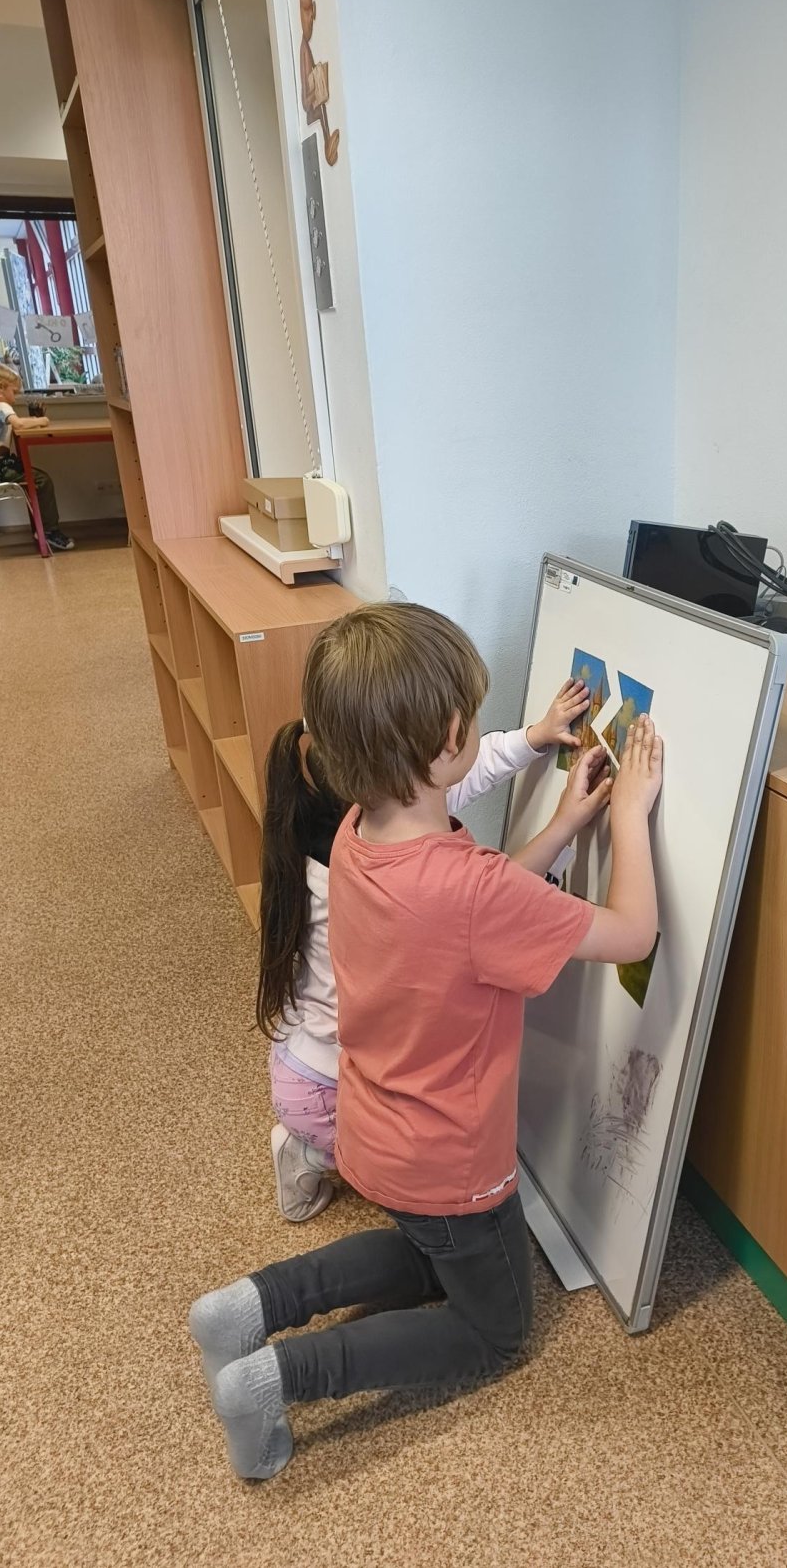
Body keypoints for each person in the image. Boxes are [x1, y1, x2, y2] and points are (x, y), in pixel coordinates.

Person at [190, 602, 662, 1480]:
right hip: (453, 1164)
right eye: (472, 716)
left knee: (423, 1253)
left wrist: (563, 824)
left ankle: (247, 1306)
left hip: (378, 1135)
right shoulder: (467, 886)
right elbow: (631, 931)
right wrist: (629, 814)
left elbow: (473, 918)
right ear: (450, 738)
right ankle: (279, 1377)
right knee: (494, 1326)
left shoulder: (354, 834)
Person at [256, 677, 592, 1222]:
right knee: (407, 1163)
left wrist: (535, 737)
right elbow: (480, 908)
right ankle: (313, 1152)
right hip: (329, 1091)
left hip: (298, 1063)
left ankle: (313, 1140)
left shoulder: (353, 835)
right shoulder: (379, 886)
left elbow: (463, 777)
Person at [0, 363, 73, 551]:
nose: (15, 398)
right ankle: (49, 531)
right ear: (0, 387)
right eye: (14, 392)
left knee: (30, 474)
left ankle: (44, 529)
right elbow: (19, 425)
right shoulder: (0, 405)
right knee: (41, 480)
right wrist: (42, 421)